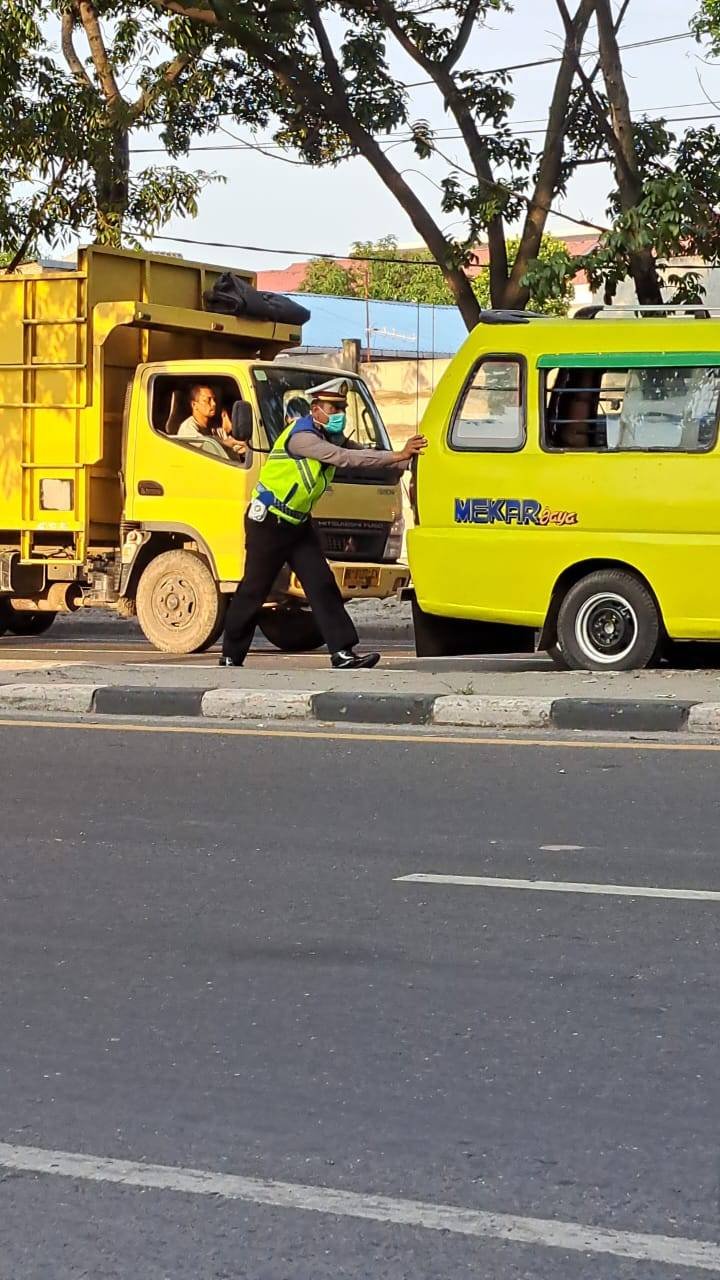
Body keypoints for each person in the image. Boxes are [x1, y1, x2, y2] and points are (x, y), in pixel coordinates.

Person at [220, 377, 427, 669]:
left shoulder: (329, 436)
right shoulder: (302, 437)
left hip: (298, 524)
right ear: (316, 409)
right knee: (255, 589)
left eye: (342, 407)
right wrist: (399, 454)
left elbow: (364, 454)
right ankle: (231, 655)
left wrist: (408, 460)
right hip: (269, 521)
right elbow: (345, 459)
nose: (339, 414)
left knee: (322, 585)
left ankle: (342, 652)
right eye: (334, 408)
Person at [177, 385, 247, 461]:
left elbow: (232, 445)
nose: (214, 404)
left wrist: (243, 446)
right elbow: (205, 449)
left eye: (214, 399)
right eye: (208, 400)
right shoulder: (187, 428)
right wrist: (225, 443)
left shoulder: (214, 428)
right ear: (194, 405)